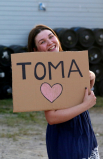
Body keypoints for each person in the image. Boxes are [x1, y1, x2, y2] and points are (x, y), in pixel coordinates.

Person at [27, 24, 100, 159]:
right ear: (35, 50)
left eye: (51, 36)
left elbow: (83, 91)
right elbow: (52, 118)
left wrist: (92, 77)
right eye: (42, 42)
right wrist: (86, 105)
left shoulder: (69, 63)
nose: (50, 42)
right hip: (65, 135)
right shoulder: (42, 74)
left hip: (83, 127)